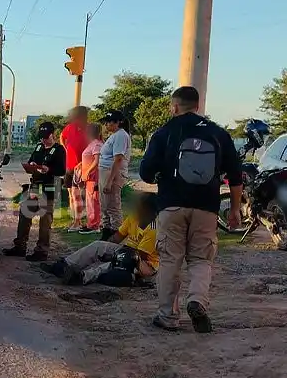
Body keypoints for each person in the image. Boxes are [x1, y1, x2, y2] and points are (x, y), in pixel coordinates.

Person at [139, 86, 242, 333]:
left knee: (170, 260)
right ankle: (196, 300)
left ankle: (167, 316)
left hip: (172, 205)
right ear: (198, 105)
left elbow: (145, 173)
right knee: (201, 259)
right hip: (207, 207)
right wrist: (236, 209)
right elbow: (236, 175)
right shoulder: (218, 133)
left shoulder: (165, 132)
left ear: (175, 106)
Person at [42, 193, 160, 286]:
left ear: (148, 210)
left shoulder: (153, 229)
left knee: (118, 261)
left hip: (145, 264)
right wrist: (104, 248)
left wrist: (112, 256)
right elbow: (116, 237)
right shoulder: (133, 218)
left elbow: (139, 256)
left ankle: (82, 277)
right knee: (98, 245)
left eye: (140, 206)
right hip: (128, 251)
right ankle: (65, 265)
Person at [3, 122, 66, 261]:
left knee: (45, 221)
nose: (43, 140)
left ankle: (42, 251)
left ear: (53, 135)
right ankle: (20, 246)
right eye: (41, 137)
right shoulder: (38, 147)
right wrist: (31, 165)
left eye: (46, 137)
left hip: (49, 188)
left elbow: (61, 170)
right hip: (35, 186)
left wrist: (48, 169)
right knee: (25, 214)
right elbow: (32, 160)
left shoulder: (59, 150)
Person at [98, 110, 132, 240]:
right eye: (105, 122)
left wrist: (109, 181)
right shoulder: (114, 135)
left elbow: (118, 159)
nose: (106, 124)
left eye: (109, 121)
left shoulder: (121, 136)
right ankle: (106, 234)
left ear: (118, 122)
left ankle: (116, 237)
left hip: (112, 173)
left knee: (112, 207)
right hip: (105, 172)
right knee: (105, 207)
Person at [60, 106, 90, 232]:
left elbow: (97, 146)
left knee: (78, 195)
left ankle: (79, 221)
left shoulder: (90, 129)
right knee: (71, 195)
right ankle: (75, 220)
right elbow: (62, 136)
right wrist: (65, 148)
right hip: (69, 166)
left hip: (82, 167)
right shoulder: (70, 127)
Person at [78, 123, 104, 234]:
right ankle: (91, 222)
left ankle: (94, 225)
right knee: (90, 201)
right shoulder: (92, 144)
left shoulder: (97, 144)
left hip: (93, 177)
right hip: (89, 178)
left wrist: (87, 171)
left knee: (93, 201)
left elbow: (96, 160)